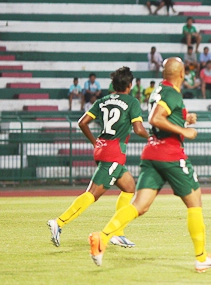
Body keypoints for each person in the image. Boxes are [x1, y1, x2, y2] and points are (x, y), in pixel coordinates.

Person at [88, 58, 211, 271]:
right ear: (181, 75)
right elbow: (155, 118)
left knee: (139, 206)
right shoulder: (172, 93)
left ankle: (102, 237)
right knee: (195, 202)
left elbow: (164, 117)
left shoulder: (159, 90)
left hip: (152, 153)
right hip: (170, 154)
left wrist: (185, 120)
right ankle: (201, 257)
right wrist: (184, 131)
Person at [48, 67, 148, 249]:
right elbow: (139, 129)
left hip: (103, 148)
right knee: (92, 194)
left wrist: (95, 142)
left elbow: (82, 122)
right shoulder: (132, 102)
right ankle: (59, 222)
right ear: (130, 85)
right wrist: (153, 138)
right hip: (114, 153)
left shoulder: (103, 100)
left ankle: (118, 233)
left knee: (129, 187)